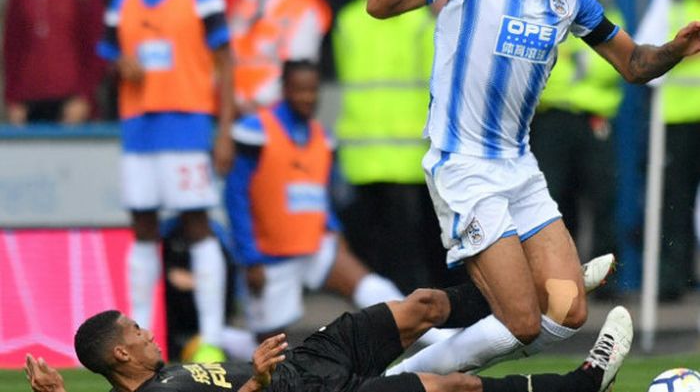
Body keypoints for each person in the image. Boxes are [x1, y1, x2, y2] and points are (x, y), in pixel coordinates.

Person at [367, 0, 700, 376]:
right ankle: (395, 384)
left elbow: (633, 63)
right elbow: (381, 5)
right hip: (465, 166)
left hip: (521, 169)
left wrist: (676, 50)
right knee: (521, 320)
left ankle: (413, 370)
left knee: (568, 312)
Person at [224, 60, 453, 347]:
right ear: (284, 89)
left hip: (314, 242)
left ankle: (439, 339)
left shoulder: (321, 137)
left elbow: (319, 193)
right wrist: (250, 257)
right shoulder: (255, 131)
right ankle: (215, 339)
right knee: (267, 349)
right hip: (270, 254)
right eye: (299, 90)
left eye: (312, 90)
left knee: (370, 285)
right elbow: (235, 196)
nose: (307, 97)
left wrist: (333, 228)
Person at [25, 290, 633, 392]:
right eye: (137, 331)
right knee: (456, 385)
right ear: (121, 354)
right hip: (299, 388)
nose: (149, 331)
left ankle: (529, 291)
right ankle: (583, 383)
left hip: (308, 359)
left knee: (419, 307)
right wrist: (259, 379)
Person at [96, 0, 235, 361]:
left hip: (188, 126)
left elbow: (226, 63)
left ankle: (209, 337)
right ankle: (140, 337)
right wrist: (121, 63)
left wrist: (225, 128)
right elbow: (107, 58)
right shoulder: (122, 5)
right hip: (139, 131)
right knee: (142, 228)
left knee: (197, 225)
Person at [333, 0, 452, 293]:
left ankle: (408, 296)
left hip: (405, 150)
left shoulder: (417, 20)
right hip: (367, 148)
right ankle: (386, 297)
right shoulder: (351, 20)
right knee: (376, 235)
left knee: (409, 237)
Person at [529, 0, 624, 297]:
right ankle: (560, 282)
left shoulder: (600, 10)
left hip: (592, 117)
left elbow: (614, 64)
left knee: (602, 198)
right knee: (552, 200)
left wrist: (570, 61)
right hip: (550, 117)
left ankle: (606, 284)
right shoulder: (539, 7)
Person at [634, 0, 700, 300]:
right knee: (675, 201)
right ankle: (672, 279)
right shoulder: (670, 2)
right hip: (676, 120)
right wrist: (679, 48)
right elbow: (644, 58)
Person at [2, 0, 104, 124]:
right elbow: (11, 48)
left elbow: (95, 47)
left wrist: (85, 96)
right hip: (28, 97)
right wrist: (11, 99)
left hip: (72, 97)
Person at [228, 0, 331, 113]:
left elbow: (300, 64)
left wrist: (260, 99)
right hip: (237, 107)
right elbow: (230, 57)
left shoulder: (303, 6)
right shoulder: (243, 7)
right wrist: (235, 100)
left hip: (280, 105)